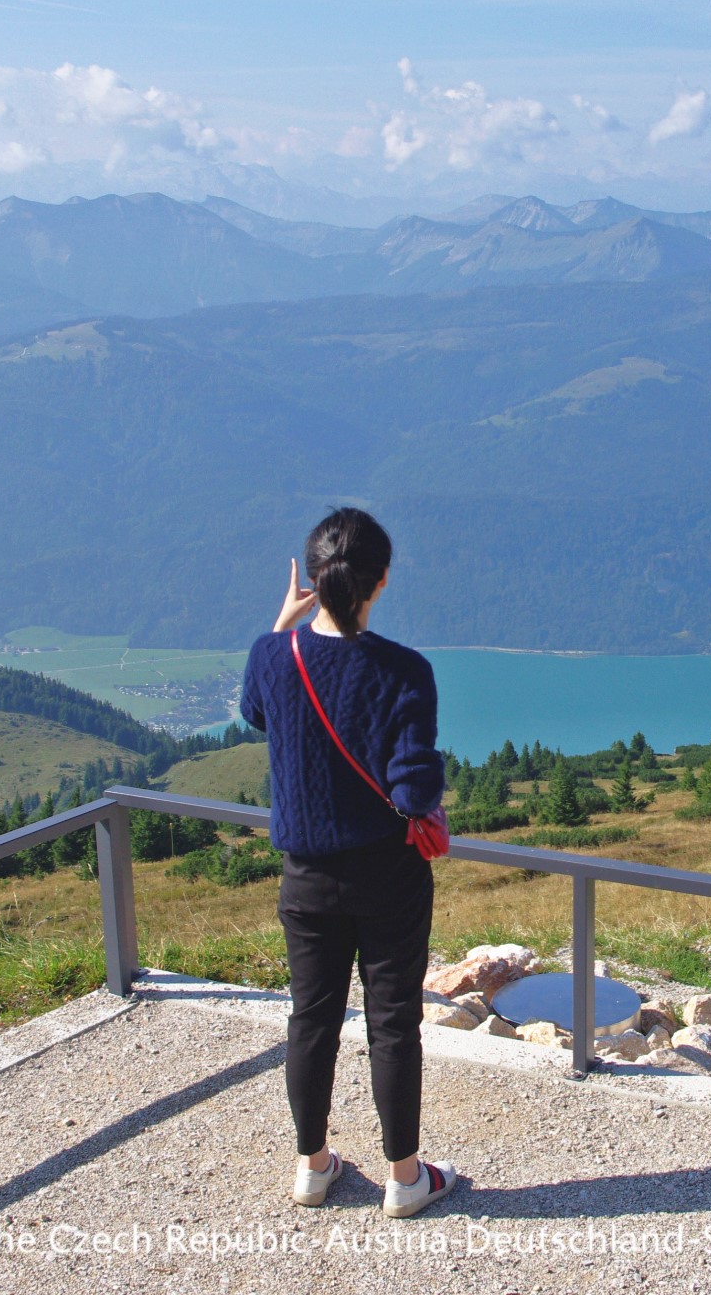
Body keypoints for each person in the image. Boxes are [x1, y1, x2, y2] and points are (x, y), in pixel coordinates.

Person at [238, 507, 456, 1219]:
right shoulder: (405, 672)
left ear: (316, 578)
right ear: (381, 582)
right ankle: (404, 1179)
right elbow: (413, 789)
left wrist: (281, 626)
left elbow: (258, 713)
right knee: (393, 1022)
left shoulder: (273, 654)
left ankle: (312, 1167)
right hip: (388, 878)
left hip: (305, 877)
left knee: (312, 1018)